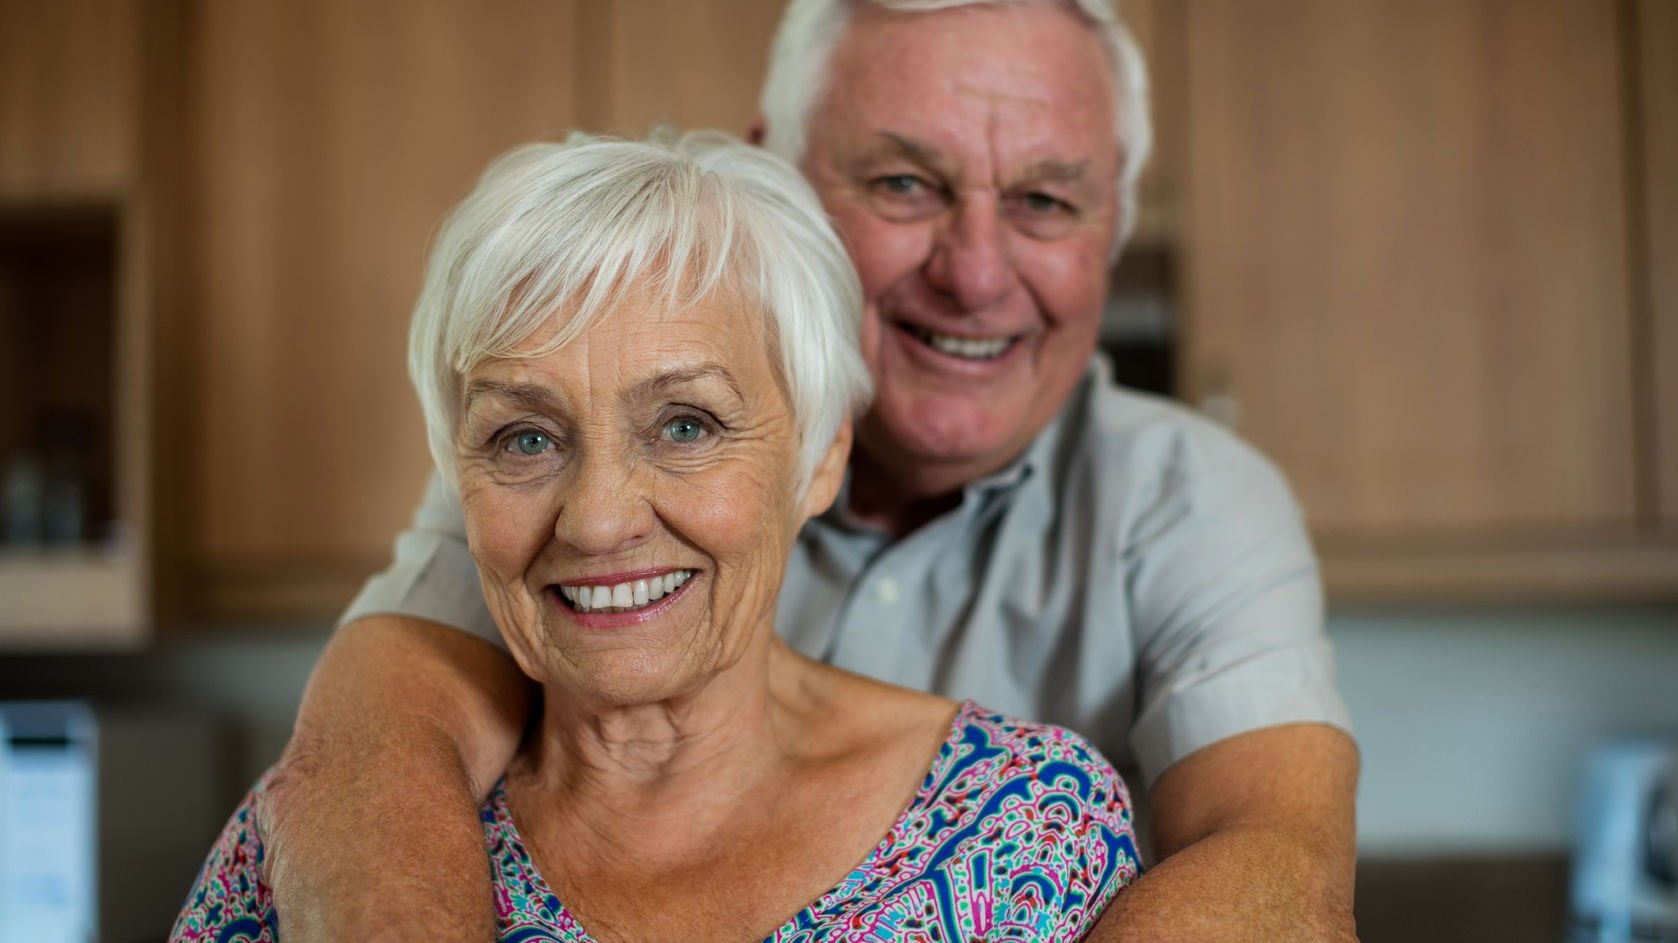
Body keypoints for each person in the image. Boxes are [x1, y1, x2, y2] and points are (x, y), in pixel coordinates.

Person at [262, 1, 1361, 940]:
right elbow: (376, 744)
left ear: (1112, 217)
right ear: (772, 174)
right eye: (901, 183)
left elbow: (1276, 861)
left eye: (1044, 201)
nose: (975, 274)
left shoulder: (1189, 504)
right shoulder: (568, 448)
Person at [173, 132, 1142, 942]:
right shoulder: (313, 844)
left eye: (685, 424)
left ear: (817, 458)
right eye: (525, 437)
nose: (597, 518)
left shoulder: (1026, 828)